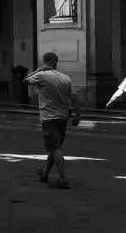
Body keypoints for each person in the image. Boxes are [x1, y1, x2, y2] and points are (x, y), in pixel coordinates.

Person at [25, 52, 81, 190]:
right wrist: (78, 115)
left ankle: (63, 179)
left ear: (45, 62)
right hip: (63, 118)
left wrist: (39, 69)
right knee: (53, 148)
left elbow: (25, 80)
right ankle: (45, 173)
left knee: (55, 148)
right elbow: (74, 98)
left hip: (49, 119)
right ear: (56, 62)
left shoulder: (41, 76)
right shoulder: (66, 78)